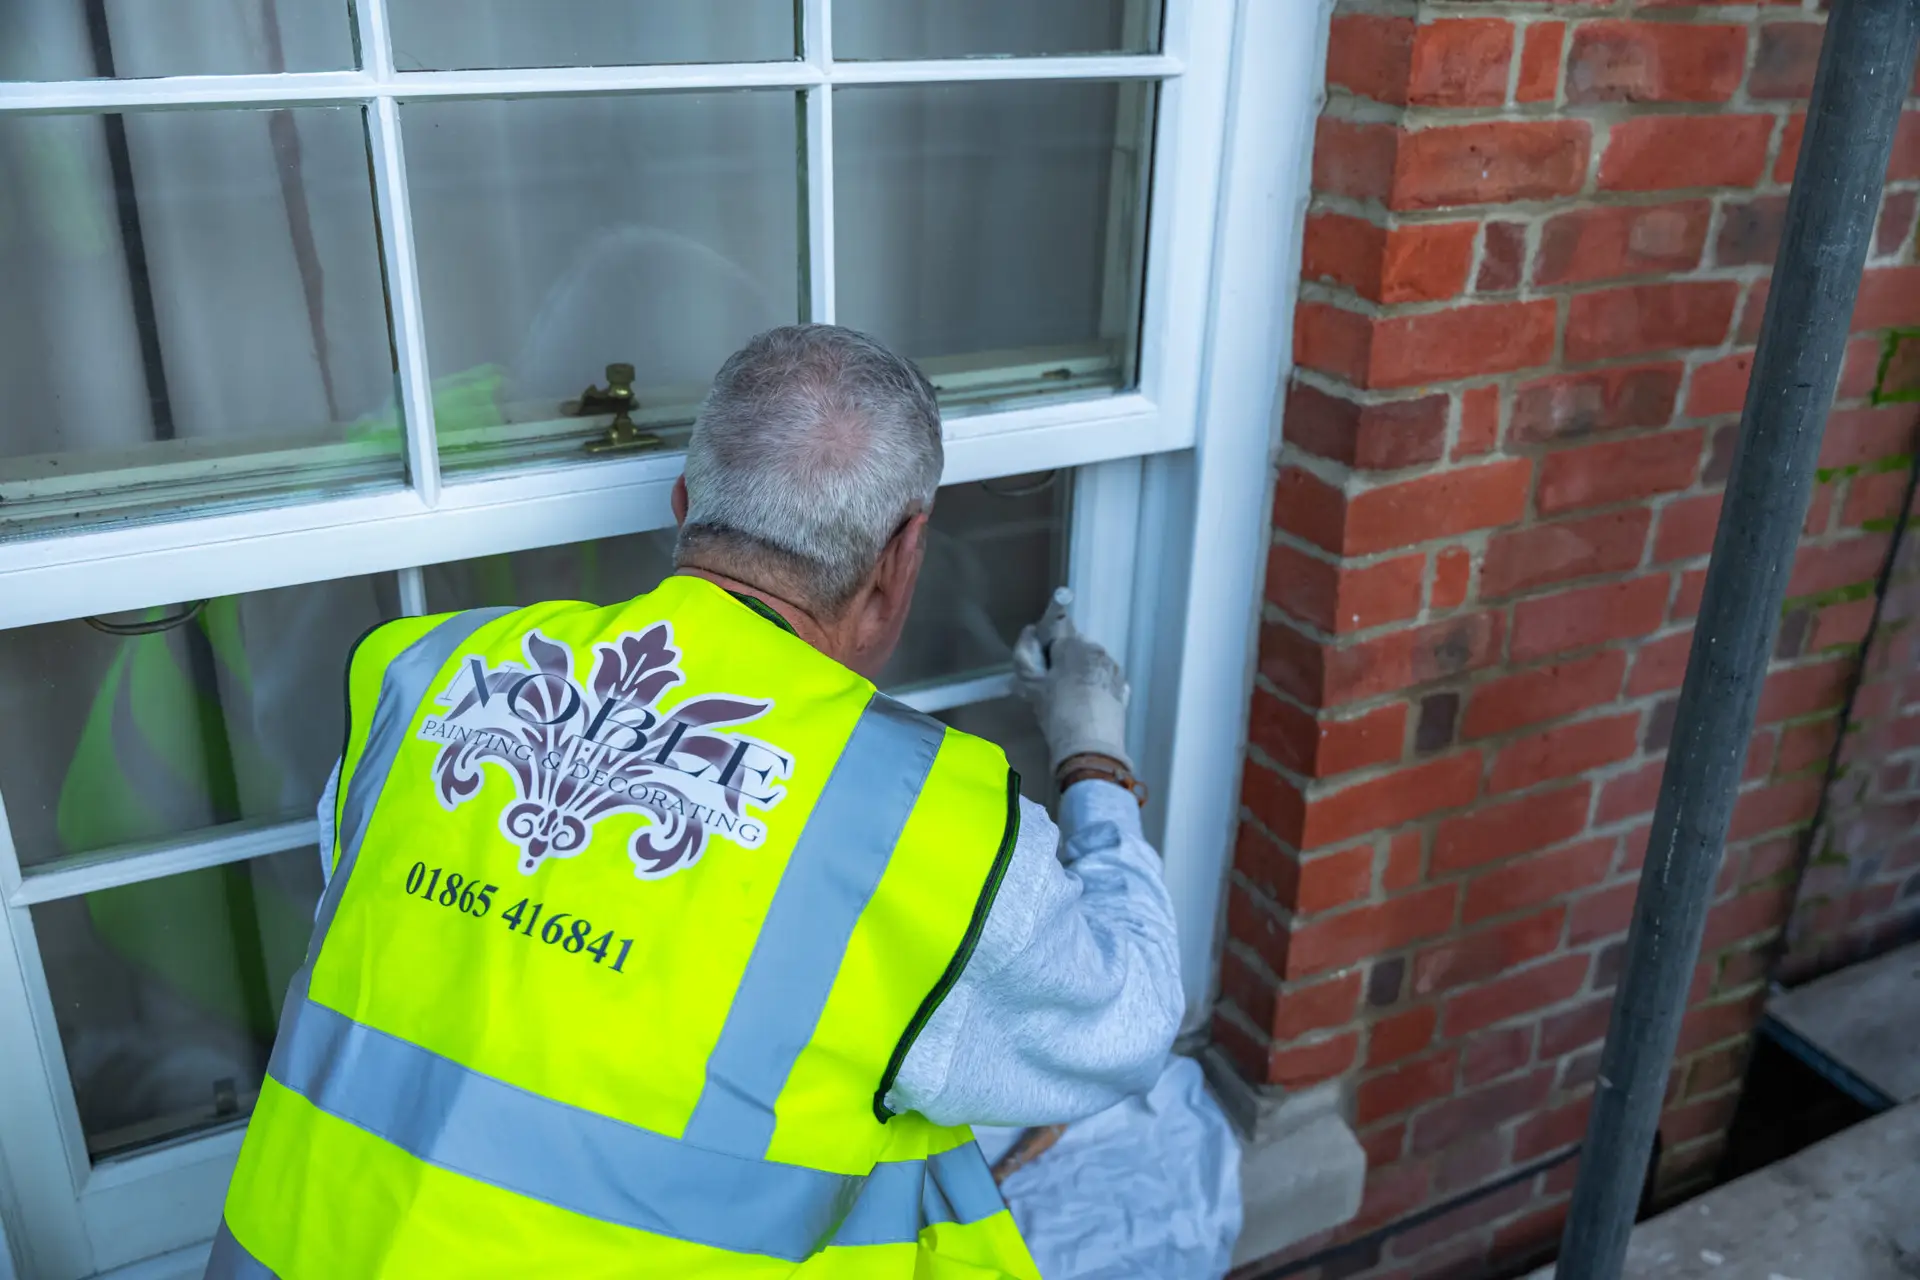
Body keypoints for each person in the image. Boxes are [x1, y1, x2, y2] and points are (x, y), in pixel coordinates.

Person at [207, 324, 1183, 1278]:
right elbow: (1130, 1020)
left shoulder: (424, 671)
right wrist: (1093, 753)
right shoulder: (923, 818)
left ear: (683, 504)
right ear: (903, 554)